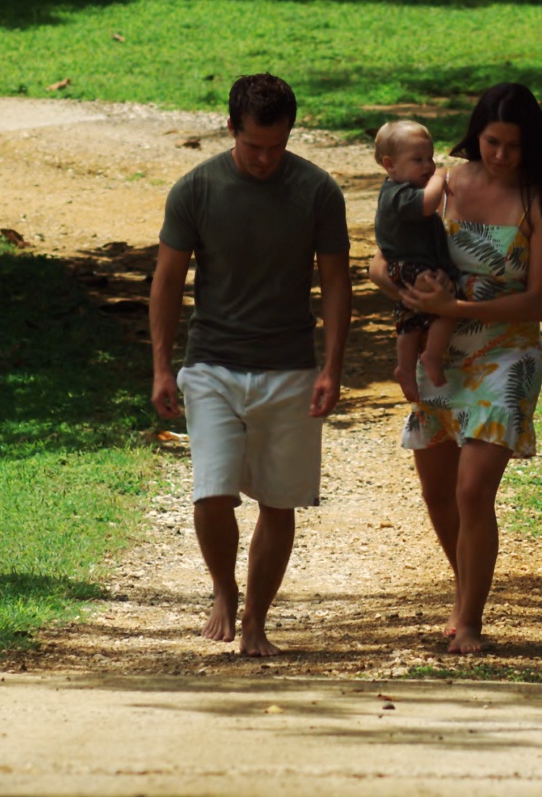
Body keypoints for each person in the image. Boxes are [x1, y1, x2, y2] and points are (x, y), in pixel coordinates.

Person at [369, 82, 542, 655]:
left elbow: (540, 302)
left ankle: (469, 620)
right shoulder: (445, 182)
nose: (501, 156)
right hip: (443, 354)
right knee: (437, 492)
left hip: (507, 353)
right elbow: (381, 253)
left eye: (513, 146)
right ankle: (465, 591)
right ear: (476, 135)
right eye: (491, 142)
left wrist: (452, 307)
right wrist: (397, 284)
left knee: (471, 489)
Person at [149, 72, 351, 657]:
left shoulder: (317, 192)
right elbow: (166, 283)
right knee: (211, 492)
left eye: (277, 146)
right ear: (231, 128)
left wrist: (332, 368)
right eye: (253, 145)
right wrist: (163, 367)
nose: (265, 158)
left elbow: (336, 284)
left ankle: (257, 619)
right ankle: (222, 591)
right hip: (212, 362)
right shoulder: (196, 189)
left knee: (277, 499)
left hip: (290, 366)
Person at [372, 119, 459, 403]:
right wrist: (440, 178)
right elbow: (428, 204)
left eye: (431, 158)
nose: (429, 166)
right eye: (418, 160)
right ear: (390, 165)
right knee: (447, 304)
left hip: (402, 268)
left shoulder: (397, 190)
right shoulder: (399, 193)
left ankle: (405, 368)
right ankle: (432, 356)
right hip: (411, 266)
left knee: (410, 320)